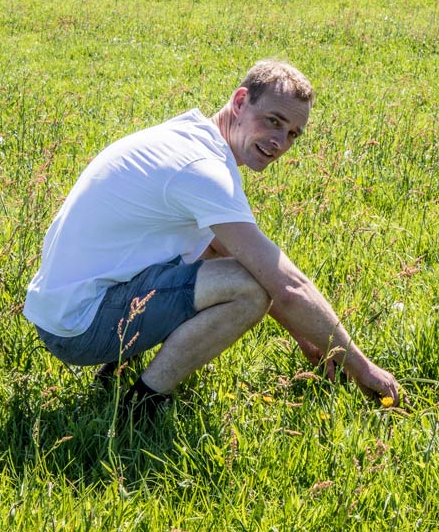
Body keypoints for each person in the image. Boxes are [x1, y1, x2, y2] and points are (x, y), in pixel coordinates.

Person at [23, 60, 400, 419]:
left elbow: (220, 251)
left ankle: (117, 367)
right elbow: (285, 285)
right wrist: (363, 368)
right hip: (80, 327)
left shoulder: (188, 137)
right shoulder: (204, 171)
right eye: (273, 121)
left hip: (63, 310)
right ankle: (142, 404)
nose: (280, 142)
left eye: (292, 134)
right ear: (240, 101)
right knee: (248, 290)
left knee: (227, 269)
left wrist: (306, 337)